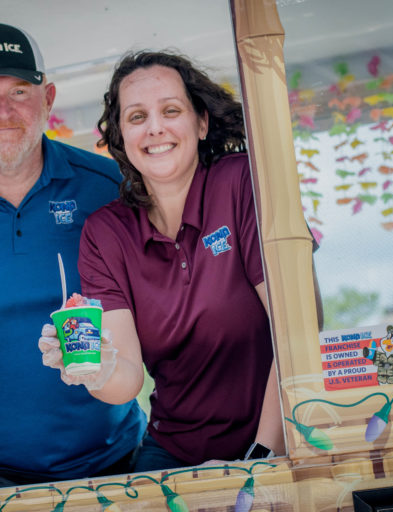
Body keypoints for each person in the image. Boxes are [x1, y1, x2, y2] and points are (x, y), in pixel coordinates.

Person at [0, 22, 146, 491]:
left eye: (20, 90)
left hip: (118, 461)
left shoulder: (107, 186)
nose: (4, 111)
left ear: (48, 98)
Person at [40, 51, 296, 471]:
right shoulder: (106, 233)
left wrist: (265, 455)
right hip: (171, 455)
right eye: (136, 117)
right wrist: (97, 370)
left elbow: (297, 325)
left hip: (272, 440)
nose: (155, 127)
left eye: (171, 110)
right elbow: (127, 382)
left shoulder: (244, 182)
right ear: (120, 137)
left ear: (201, 122)